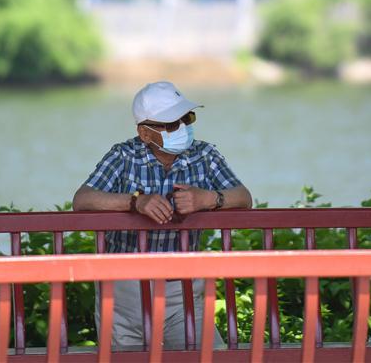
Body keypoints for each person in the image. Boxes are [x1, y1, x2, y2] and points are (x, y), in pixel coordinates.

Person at [72, 80, 252, 351]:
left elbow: (244, 197)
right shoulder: (122, 156)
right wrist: (135, 202)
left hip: (183, 289)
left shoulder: (205, 154)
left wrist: (208, 199)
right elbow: (82, 200)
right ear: (145, 133)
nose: (182, 128)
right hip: (124, 290)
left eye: (186, 118)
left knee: (210, 355)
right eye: (170, 124)